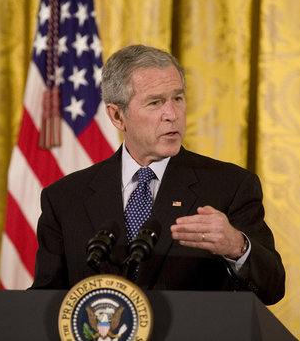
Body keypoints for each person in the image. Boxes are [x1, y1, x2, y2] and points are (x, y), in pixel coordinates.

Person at [31, 44, 285, 305]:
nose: (172, 115)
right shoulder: (64, 198)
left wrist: (237, 247)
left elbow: (272, 289)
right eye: (155, 102)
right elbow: (44, 302)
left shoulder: (230, 186)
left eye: (177, 98)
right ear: (117, 116)